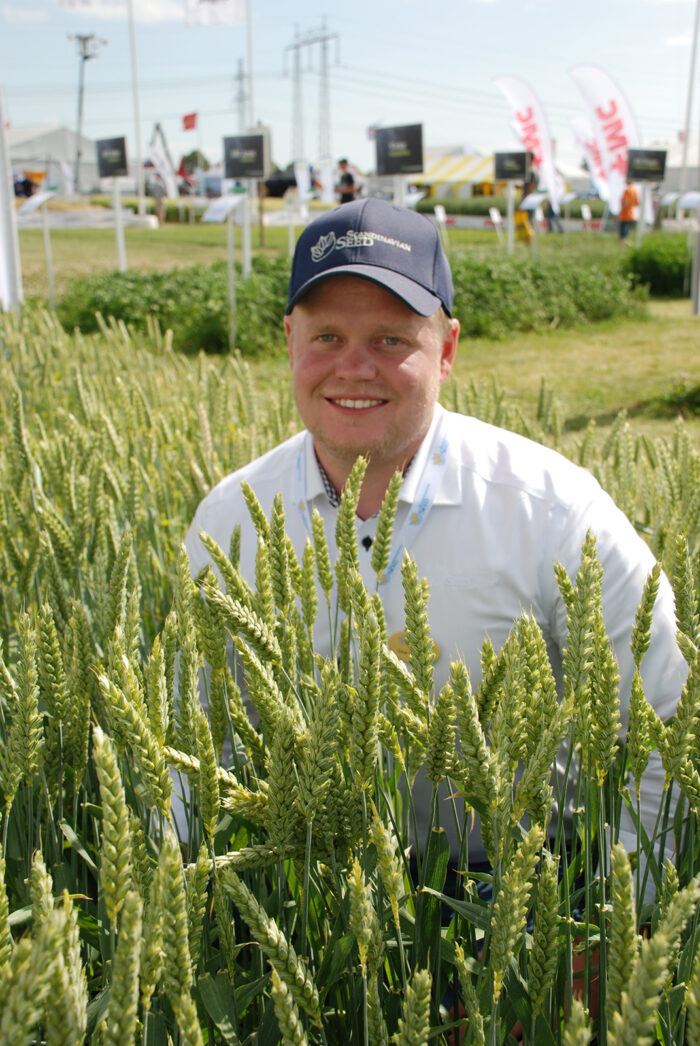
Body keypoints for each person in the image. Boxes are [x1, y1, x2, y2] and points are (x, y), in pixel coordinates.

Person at [185, 197, 685, 871]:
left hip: (527, 891)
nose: (354, 368)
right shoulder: (231, 520)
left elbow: (664, 729)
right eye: (327, 336)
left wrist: (613, 921)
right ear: (289, 342)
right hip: (304, 889)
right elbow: (195, 737)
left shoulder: (554, 511)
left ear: (446, 350)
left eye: (392, 340)